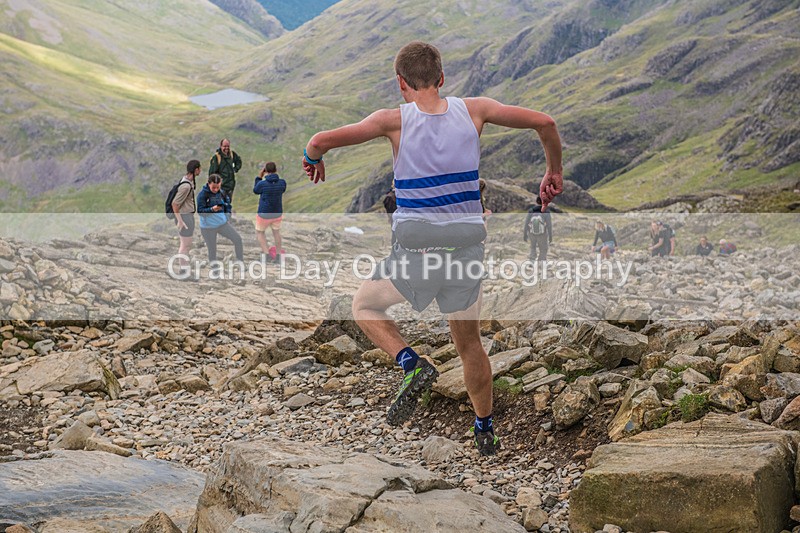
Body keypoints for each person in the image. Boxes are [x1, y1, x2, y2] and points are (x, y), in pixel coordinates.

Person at [301, 41, 563, 456]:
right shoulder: (475, 110)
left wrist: (311, 157)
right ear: (442, 80)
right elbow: (545, 122)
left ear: (401, 84)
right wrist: (553, 171)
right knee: (468, 344)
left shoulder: (393, 120)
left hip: (418, 251)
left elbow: (319, 141)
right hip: (466, 249)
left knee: (365, 307)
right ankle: (485, 429)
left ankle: (411, 364)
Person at [197, 174, 243, 263]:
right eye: (213, 187)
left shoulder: (221, 192)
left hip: (222, 224)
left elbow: (227, 204)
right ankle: (214, 270)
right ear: (208, 183)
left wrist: (227, 216)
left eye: (217, 187)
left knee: (237, 239)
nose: (215, 190)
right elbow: (200, 212)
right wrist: (212, 209)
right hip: (208, 227)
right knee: (212, 249)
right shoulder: (202, 195)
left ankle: (240, 262)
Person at [253, 162, 287, 262]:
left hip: (264, 213)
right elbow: (283, 190)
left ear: (266, 171)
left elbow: (255, 190)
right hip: (277, 212)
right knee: (276, 233)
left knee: (260, 232)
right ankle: (278, 256)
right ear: (276, 170)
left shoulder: (262, 184)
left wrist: (259, 177)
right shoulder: (282, 182)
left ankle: (267, 254)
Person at [172, 160, 201, 273]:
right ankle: (184, 271)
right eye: (199, 169)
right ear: (196, 170)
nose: (200, 171)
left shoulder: (188, 181)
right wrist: (180, 220)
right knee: (185, 245)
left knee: (186, 245)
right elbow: (175, 204)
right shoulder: (186, 186)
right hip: (184, 217)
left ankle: (185, 269)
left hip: (187, 216)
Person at [208, 139, 242, 203]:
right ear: (221, 146)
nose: (226, 148)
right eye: (224, 146)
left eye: (228, 146)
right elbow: (212, 173)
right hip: (220, 187)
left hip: (230, 186)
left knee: (228, 206)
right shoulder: (216, 157)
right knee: (220, 206)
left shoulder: (232, 154)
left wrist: (235, 169)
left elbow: (238, 161)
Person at [523, 196, 552, 262]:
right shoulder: (546, 211)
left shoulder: (531, 210)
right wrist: (550, 236)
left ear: (536, 201)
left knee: (533, 247)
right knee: (543, 248)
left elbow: (526, 223)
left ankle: (532, 261)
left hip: (532, 232)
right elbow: (549, 225)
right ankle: (541, 262)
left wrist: (525, 234)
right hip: (542, 233)